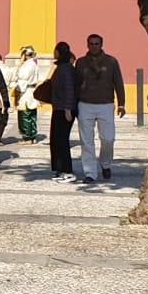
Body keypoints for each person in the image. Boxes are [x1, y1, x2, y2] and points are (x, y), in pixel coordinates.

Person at [74, 33, 125, 182]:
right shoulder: (81, 62)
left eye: (97, 43)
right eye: (91, 43)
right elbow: (76, 84)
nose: (94, 46)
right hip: (85, 104)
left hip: (106, 105)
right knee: (86, 141)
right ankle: (90, 173)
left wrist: (121, 103)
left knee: (108, 139)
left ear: (101, 45)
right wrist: (73, 105)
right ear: (87, 45)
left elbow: (118, 82)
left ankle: (105, 164)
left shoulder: (111, 61)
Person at [48, 42, 78, 182]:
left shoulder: (65, 68)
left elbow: (69, 89)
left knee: (62, 140)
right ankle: (60, 169)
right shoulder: (61, 67)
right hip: (59, 108)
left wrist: (67, 109)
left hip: (64, 109)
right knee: (56, 139)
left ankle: (68, 171)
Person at [14, 45, 42, 144]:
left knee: (25, 115)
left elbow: (22, 78)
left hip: (26, 91)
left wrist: (16, 89)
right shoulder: (34, 65)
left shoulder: (27, 65)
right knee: (32, 115)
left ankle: (27, 137)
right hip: (32, 91)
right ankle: (33, 136)